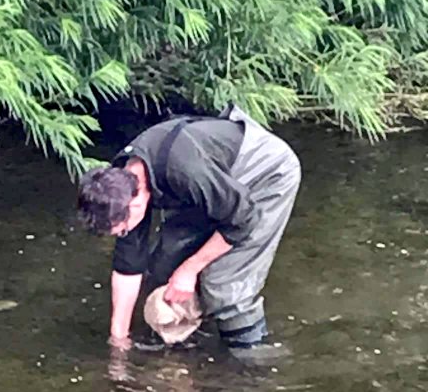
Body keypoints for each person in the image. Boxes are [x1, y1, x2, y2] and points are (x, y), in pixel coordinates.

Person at [77, 103, 301, 352]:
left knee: (222, 282)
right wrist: (118, 339)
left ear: (137, 201)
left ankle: (253, 358)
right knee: (164, 265)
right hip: (214, 181)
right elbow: (128, 265)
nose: (123, 234)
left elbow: (241, 220)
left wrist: (190, 269)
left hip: (266, 171)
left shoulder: (183, 171)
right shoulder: (120, 185)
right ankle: (189, 345)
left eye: (122, 229)